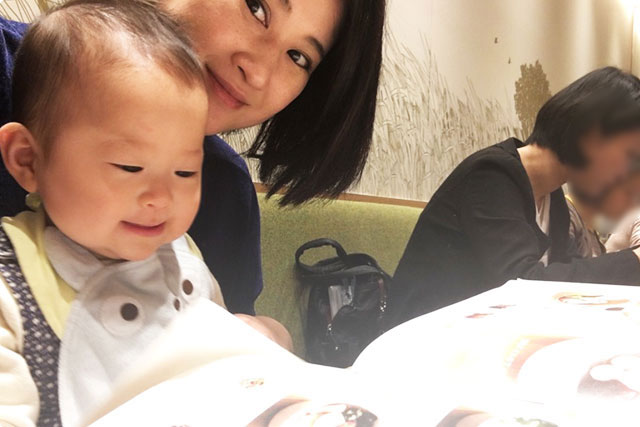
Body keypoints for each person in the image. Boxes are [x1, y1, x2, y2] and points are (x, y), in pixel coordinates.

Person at [0, 0, 386, 316]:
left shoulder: (223, 192)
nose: (258, 74)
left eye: (298, 57)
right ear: (26, 158)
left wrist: (266, 339)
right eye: (256, 8)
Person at [0, 2, 282, 425]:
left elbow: (225, 370)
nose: (161, 198)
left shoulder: (184, 258)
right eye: (129, 167)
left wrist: (263, 338)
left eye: (185, 171)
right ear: (28, 159)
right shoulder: (12, 290)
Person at [389, 67, 640, 328]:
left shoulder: (552, 196)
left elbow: (566, 280)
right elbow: (521, 283)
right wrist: (634, 260)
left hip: (486, 332)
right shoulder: (490, 175)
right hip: (423, 333)